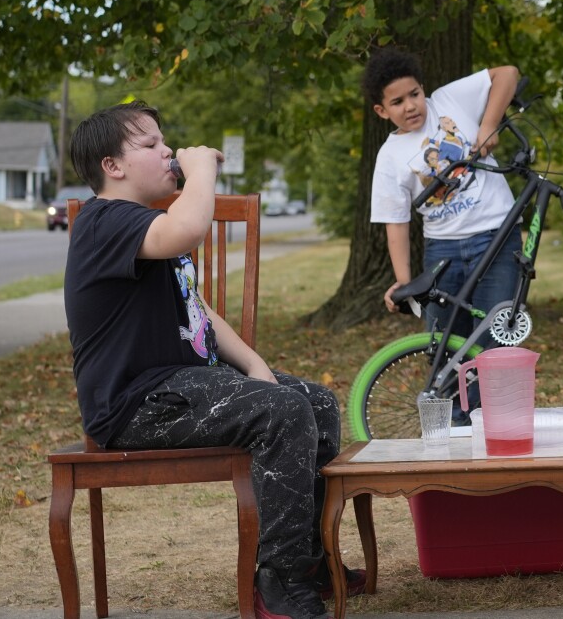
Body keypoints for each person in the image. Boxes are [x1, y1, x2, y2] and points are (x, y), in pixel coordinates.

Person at [64, 102, 352, 619]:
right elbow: (190, 229)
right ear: (113, 167)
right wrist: (203, 172)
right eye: (150, 144)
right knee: (283, 413)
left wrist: (255, 365)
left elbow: (194, 305)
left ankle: (307, 563)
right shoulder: (104, 222)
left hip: (184, 386)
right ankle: (279, 584)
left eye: (164, 140)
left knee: (318, 403)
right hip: (137, 404)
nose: (168, 149)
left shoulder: (147, 224)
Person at [364, 48, 524, 420]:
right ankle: (452, 436)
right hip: (443, 255)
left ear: (425, 89)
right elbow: (396, 222)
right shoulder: (389, 157)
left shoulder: (451, 100)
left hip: (497, 240)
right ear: (382, 111)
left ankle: (497, 430)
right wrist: (405, 281)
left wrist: (487, 125)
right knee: (443, 353)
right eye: (397, 102)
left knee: (495, 343)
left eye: (415, 94)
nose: (410, 106)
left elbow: (507, 73)